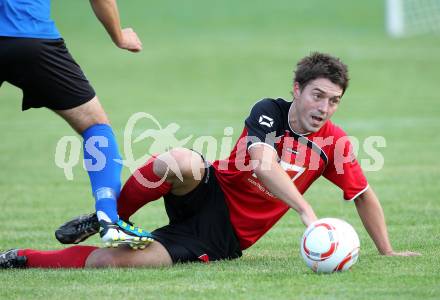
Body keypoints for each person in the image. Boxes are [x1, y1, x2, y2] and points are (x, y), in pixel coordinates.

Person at [0, 52, 420, 269]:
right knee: (178, 159)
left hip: (221, 236)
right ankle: (110, 216)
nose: (325, 108)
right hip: (208, 187)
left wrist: (386, 252)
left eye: (334, 101)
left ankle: (20, 257)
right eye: (318, 95)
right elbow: (261, 162)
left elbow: (363, 194)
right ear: (297, 89)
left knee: (111, 263)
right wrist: (307, 211)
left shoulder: (334, 144)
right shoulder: (268, 110)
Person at [0, 0, 152, 247]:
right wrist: (119, 35)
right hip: (30, 35)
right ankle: (108, 218)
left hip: (28, 35)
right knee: (95, 126)